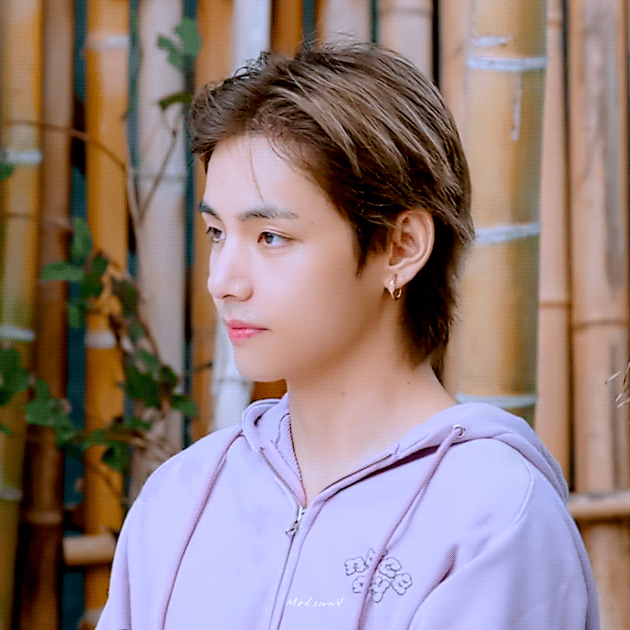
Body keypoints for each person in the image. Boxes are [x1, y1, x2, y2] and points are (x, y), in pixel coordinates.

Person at [95, 41, 600, 629]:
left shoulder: (492, 517)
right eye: (216, 233)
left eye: (270, 237)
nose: (222, 281)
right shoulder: (181, 499)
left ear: (401, 247)